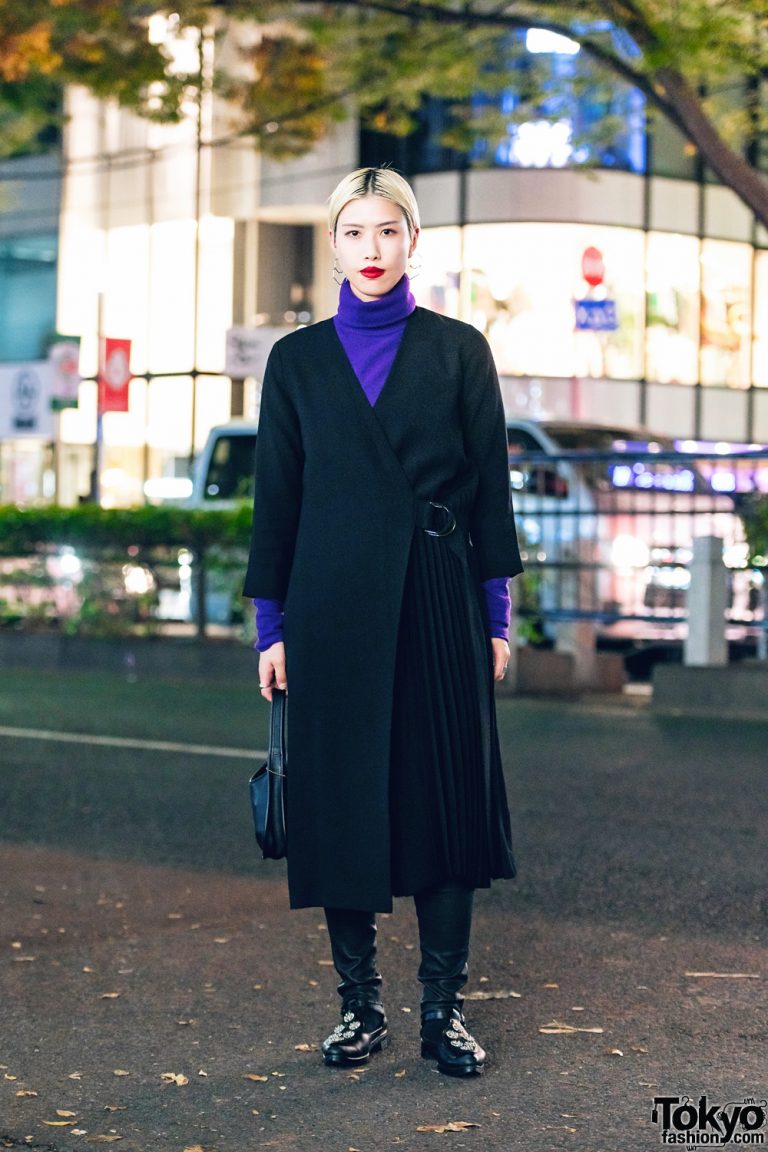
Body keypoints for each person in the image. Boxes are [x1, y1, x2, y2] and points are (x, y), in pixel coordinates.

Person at [243, 166, 523, 1078]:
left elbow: (491, 493)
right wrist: (269, 629)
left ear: (413, 242)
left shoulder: (458, 349)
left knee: (448, 802)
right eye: (354, 233)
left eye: (388, 232)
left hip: (441, 599)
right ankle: (359, 1007)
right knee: (342, 801)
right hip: (328, 610)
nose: (372, 250)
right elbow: (275, 505)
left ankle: (444, 1011)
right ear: (333, 245)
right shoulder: (296, 362)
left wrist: (496, 615)